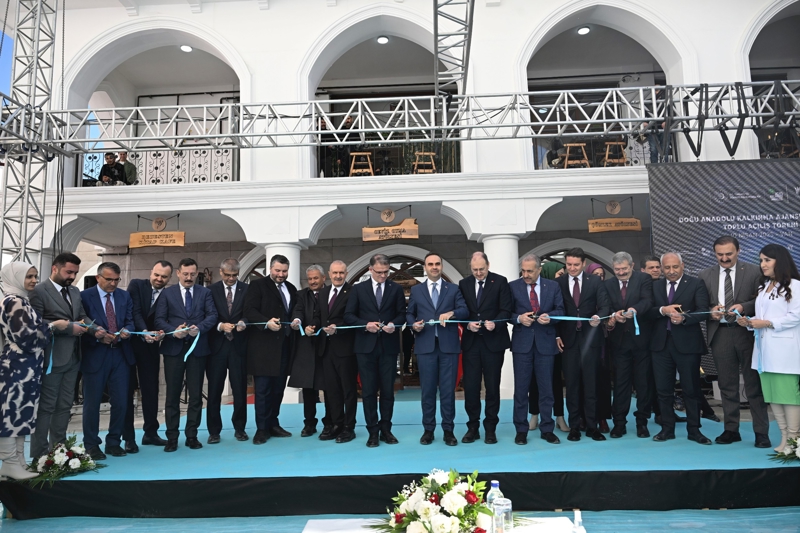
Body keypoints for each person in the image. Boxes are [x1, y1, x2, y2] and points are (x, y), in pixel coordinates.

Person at [699, 236, 770, 448]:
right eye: (719, 254)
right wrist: (710, 311)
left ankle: (761, 433)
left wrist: (743, 307)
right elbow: (700, 305)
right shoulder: (705, 275)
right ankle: (731, 430)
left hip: (747, 334)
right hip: (720, 334)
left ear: (738, 251)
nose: (724, 258)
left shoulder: (755, 272)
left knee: (754, 385)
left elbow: (763, 301)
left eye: (729, 254)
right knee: (727, 385)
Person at [0, 262, 67, 480]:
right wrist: (52, 326)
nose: (33, 281)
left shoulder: (21, 300)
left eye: (35, 276)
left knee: (23, 412)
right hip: (17, 366)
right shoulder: (14, 301)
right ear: (15, 277)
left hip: (26, 366)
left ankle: (18, 461)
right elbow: (27, 338)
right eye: (28, 276)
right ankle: (10, 462)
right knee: (12, 413)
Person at [29, 252, 94, 459]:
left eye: (75, 273)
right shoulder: (39, 291)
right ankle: (39, 456)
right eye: (68, 272)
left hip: (73, 358)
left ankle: (59, 452)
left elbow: (81, 316)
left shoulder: (74, 291)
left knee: (65, 406)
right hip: (51, 358)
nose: (72, 277)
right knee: (46, 407)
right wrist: (68, 328)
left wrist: (97, 330)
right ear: (54, 268)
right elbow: (36, 324)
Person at [736, 244, 800, 453]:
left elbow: (796, 316)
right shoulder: (765, 287)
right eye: (761, 260)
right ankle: (784, 438)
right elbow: (764, 317)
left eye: (767, 260)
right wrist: (750, 321)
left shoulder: (795, 286)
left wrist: (767, 323)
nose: (762, 264)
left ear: (779, 261)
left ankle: (794, 440)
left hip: (785, 354)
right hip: (765, 353)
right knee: (774, 398)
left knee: (789, 398)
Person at [647, 252, 712, 445]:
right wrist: (662, 310)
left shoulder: (695, 283)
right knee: (663, 390)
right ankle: (667, 429)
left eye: (675, 267)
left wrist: (684, 318)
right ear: (661, 268)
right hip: (660, 345)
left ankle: (694, 430)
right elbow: (646, 311)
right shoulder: (654, 286)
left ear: (682, 266)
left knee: (691, 389)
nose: (671, 271)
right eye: (667, 267)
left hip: (688, 345)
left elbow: (703, 310)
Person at [154, 258, 218, 452]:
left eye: (192, 274)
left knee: (196, 396)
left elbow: (212, 316)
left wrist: (199, 328)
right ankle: (172, 438)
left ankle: (192, 435)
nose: (189, 277)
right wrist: (174, 331)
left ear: (197, 274)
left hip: (198, 350)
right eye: (185, 274)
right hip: (174, 350)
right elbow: (159, 319)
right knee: (172, 396)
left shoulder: (205, 293)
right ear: (178, 273)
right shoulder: (167, 293)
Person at [344, 253, 406, 448]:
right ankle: (373, 431)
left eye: (386, 272)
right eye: (379, 272)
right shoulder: (358, 289)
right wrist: (366, 325)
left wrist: (393, 324)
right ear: (370, 269)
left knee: (388, 391)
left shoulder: (396, 288)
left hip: (388, 347)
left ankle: (386, 429)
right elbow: (348, 316)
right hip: (365, 347)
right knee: (369, 391)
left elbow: (402, 314)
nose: (383, 275)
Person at [407, 253, 468, 446]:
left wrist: (452, 313)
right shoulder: (416, 290)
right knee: (428, 391)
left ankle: (448, 430)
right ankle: (428, 430)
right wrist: (413, 325)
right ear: (425, 267)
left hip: (448, 347)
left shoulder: (453, 289)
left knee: (448, 391)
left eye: (437, 264)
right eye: (430, 264)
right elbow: (409, 314)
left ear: (441, 266)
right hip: (426, 346)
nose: (434, 267)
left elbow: (464, 310)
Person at [80, 262, 135, 460]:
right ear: (98, 278)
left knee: (121, 401)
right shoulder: (84, 296)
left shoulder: (124, 296)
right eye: (109, 279)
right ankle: (92, 445)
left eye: (116, 280)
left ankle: (114, 442)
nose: (113, 283)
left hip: (120, 354)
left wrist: (127, 331)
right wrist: (97, 335)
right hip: (96, 354)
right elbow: (81, 322)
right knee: (92, 402)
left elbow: (130, 320)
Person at [556, 248, 611, 442]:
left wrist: (599, 317)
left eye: (576, 265)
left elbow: (605, 306)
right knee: (571, 385)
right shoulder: (559, 283)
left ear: (584, 264)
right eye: (568, 264)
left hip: (591, 339)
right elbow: (555, 310)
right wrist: (556, 336)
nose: (571, 268)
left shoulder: (595, 282)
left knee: (591, 384)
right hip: (568, 341)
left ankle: (592, 426)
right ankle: (574, 427)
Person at [509, 254, 565, 446]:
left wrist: (550, 317)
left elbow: (561, 310)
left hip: (546, 344)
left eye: (530, 271)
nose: (525, 274)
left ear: (539, 270)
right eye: (523, 271)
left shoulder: (553, 286)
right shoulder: (513, 286)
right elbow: (506, 312)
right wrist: (518, 319)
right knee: (521, 390)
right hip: (522, 345)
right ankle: (521, 430)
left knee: (546, 389)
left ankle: (547, 429)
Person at [459, 252, 513, 444]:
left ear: (488, 265)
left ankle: (491, 428)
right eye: (475, 270)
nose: (479, 273)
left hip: (493, 343)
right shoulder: (463, 284)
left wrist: (495, 323)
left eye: (482, 269)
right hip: (471, 343)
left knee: (492, 387)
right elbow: (461, 311)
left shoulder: (500, 281)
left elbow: (506, 309)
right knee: (471, 387)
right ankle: (472, 427)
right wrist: (467, 324)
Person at [243, 254, 297, 445]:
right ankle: (261, 429)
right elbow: (249, 311)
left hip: (284, 347)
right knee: (263, 391)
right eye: (278, 270)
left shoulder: (291, 288)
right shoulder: (257, 286)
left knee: (278, 390)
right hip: (263, 349)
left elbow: (293, 312)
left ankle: (274, 424)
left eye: (284, 271)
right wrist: (266, 323)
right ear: (270, 269)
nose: (281, 274)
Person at [123, 260, 172, 450]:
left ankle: (151, 433)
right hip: (130, 345)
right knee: (127, 391)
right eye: (156, 274)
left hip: (152, 348)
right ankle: (128, 438)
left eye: (164, 277)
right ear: (151, 272)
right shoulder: (136, 285)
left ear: (169, 278)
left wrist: (162, 333)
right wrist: (144, 331)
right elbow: (134, 311)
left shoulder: (169, 293)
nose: (159, 279)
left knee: (151, 391)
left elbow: (166, 318)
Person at [604, 252, 654, 438]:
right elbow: (606, 306)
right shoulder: (608, 284)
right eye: (617, 269)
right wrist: (613, 315)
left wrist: (634, 310)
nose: (621, 272)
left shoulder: (644, 279)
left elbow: (648, 300)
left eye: (624, 269)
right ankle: (619, 423)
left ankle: (642, 422)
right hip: (619, 342)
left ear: (632, 265)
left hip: (641, 341)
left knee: (643, 384)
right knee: (620, 384)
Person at [206, 259, 249, 444]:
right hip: (217, 347)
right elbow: (207, 314)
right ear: (221, 272)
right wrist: (220, 326)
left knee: (240, 390)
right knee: (214, 390)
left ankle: (240, 429)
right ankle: (214, 431)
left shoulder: (246, 289)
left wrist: (244, 322)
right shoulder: (210, 290)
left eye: (235, 275)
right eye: (228, 275)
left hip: (238, 347)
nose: (231, 279)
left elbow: (250, 312)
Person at [317, 260, 357, 443]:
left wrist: (338, 328)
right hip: (326, 349)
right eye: (335, 273)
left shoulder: (353, 292)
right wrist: (312, 326)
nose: (338, 276)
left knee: (348, 391)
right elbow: (319, 316)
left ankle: (349, 427)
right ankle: (336, 424)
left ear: (346, 274)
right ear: (329, 274)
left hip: (346, 350)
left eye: (341, 273)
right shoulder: (323, 292)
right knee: (331, 391)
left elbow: (353, 318)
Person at [289, 265, 329, 437]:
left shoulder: (330, 293)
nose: (312, 281)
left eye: (316, 278)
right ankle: (309, 423)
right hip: (306, 347)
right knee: (308, 387)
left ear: (323, 278)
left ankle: (329, 423)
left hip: (326, 346)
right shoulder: (301, 294)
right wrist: (297, 321)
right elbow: (298, 310)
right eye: (310, 279)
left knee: (328, 387)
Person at [529, 260, 569, 433]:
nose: (562, 276)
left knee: (555, 380)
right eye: (559, 273)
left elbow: (562, 313)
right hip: (535, 341)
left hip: (556, 341)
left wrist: (558, 335)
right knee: (534, 380)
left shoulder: (556, 287)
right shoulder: (536, 288)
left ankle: (559, 416)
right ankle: (534, 414)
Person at [586, 262, 612, 434]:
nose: (599, 278)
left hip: (604, 343)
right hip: (586, 342)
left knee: (602, 382)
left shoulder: (607, 291)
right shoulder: (584, 290)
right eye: (595, 275)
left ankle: (602, 417)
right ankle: (586, 418)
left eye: (601, 275)